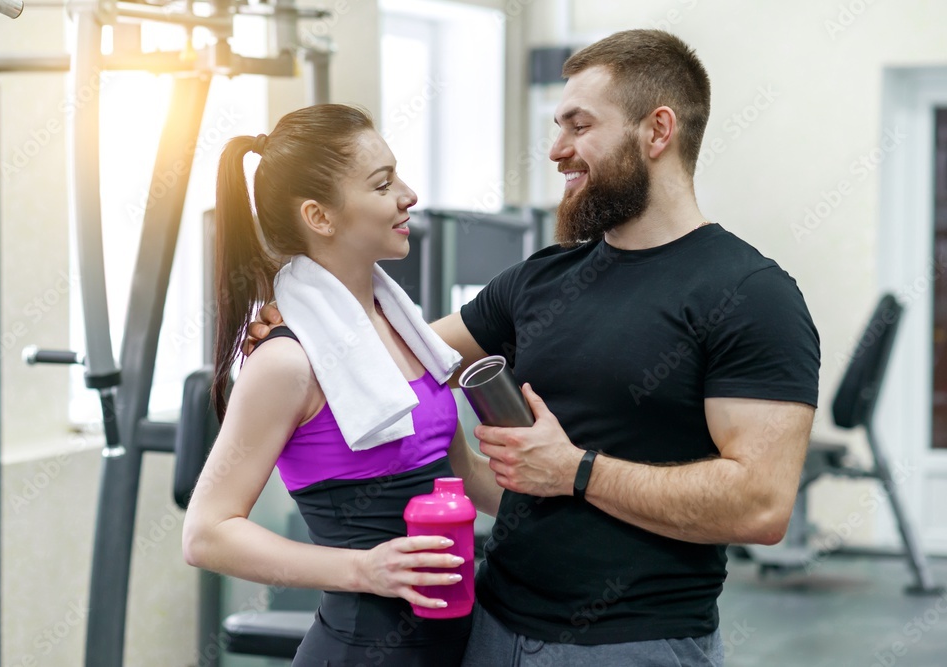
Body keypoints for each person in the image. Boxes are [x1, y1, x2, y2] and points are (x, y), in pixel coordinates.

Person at [248, 29, 820, 666]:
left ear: (657, 131)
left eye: (579, 126)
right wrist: (298, 326)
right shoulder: (539, 279)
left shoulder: (750, 294)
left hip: (632, 645)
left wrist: (576, 470)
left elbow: (762, 506)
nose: (557, 150)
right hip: (488, 631)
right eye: (557, 126)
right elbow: (392, 359)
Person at [181, 104, 501, 667]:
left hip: (452, 641)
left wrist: (580, 508)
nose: (409, 194)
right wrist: (363, 569)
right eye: (383, 184)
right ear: (320, 217)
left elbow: (468, 478)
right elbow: (206, 533)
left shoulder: (407, 334)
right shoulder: (287, 361)